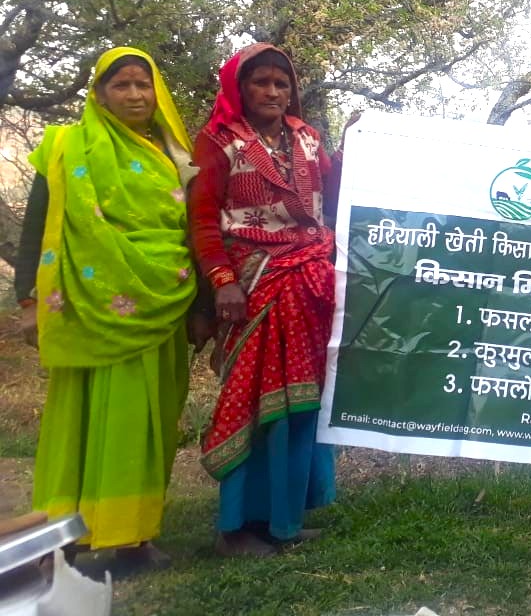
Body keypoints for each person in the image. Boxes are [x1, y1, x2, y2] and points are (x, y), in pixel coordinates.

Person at [15, 47, 208, 568]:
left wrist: (202, 307)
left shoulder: (175, 154)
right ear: (99, 94)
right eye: (120, 85)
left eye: (142, 85)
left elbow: (195, 230)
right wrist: (29, 302)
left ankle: (131, 536)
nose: (134, 95)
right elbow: (40, 225)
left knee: (147, 423)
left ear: (157, 93)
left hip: (162, 303)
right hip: (87, 308)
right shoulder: (66, 147)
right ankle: (62, 536)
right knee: (77, 422)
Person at [189, 43, 339, 557]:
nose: (274, 91)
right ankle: (236, 526)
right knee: (257, 405)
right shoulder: (218, 143)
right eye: (261, 82)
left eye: (282, 82)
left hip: (310, 285)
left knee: (301, 406)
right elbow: (203, 218)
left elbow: (333, 191)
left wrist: (365, 149)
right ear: (239, 88)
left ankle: (284, 520)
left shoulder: (308, 138)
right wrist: (221, 280)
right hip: (254, 286)